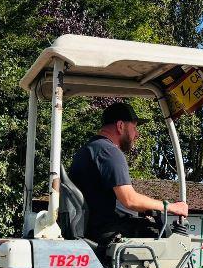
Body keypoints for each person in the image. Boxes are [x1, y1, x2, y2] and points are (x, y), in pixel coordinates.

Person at [68, 102, 188, 244]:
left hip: (93, 229)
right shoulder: (109, 152)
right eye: (134, 127)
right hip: (106, 233)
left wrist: (147, 208)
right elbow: (130, 200)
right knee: (167, 242)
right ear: (120, 126)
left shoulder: (91, 149)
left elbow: (105, 199)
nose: (137, 134)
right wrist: (171, 207)